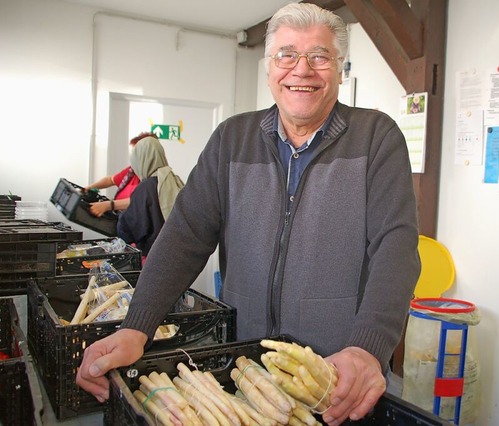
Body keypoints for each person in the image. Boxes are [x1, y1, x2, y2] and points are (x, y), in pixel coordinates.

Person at [76, 3, 420, 426]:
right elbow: (184, 236)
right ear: (268, 65)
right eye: (287, 54)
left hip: (335, 379)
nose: (302, 69)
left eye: (319, 56)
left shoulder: (376, 137)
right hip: (247, 373)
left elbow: (396, 248)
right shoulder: (232, 139)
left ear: (340, 69)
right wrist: (137, 325)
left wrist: (369, 348)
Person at [116, 135, 184, 257]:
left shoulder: (145, 188)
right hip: (177, 255)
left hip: (154, 257)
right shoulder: (175, 181)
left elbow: (129, 231)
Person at [84, 132, 156, 217]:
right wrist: (89, 187)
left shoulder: (154, 179)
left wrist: (109, 205)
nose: (133, 157)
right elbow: (110, 180)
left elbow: (141, 200)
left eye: (135, 153)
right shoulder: (131, 171)